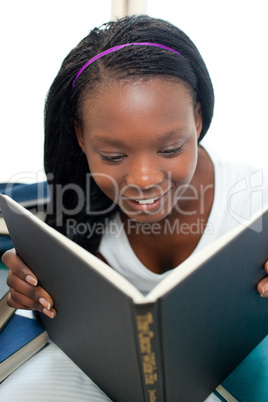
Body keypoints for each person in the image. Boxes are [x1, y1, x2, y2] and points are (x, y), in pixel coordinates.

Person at [1, 14, 268, 401]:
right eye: (113, 155)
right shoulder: (78, 206)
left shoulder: (256, 203)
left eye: (171, 148)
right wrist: (35, 291)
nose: (143, 179)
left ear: (197, 117)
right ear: (80, 135)